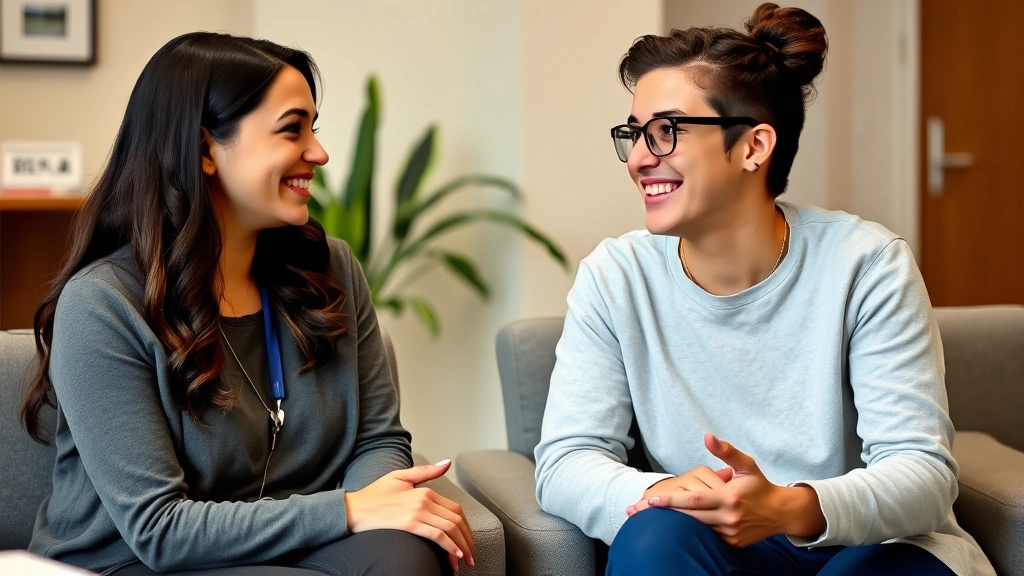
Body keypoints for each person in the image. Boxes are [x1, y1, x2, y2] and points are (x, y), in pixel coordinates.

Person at [533, 4, 994, 575]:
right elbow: (567, 460)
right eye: (635, 134)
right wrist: (664, 492)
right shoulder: (616, 276)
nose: (641, 159)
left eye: (667, 131)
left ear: (754, 146)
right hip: (715, 544)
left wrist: (786, 507)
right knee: (653, 538)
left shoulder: (867, 264)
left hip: (867, 548)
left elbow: (922, 473)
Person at [20, 32, 474, 576]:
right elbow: (159, 530)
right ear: (206, 149)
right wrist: (350, 510)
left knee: (410, 553)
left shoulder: (331, 270)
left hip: (295, 544)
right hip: (142, 562)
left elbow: (376, 439)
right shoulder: (102, 306)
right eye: (291, 129)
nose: (319, 153)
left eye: (314, 129)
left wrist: (383, 508)